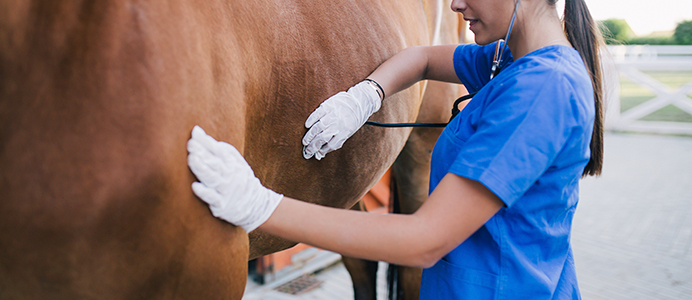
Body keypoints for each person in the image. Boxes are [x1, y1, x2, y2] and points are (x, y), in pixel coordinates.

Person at [186, 0, 605, 298]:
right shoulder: (510, 59)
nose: (455, 5)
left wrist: (260, 206)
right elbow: (421, 58)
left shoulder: (542, 88)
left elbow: (424, 240)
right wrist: (366, 95)